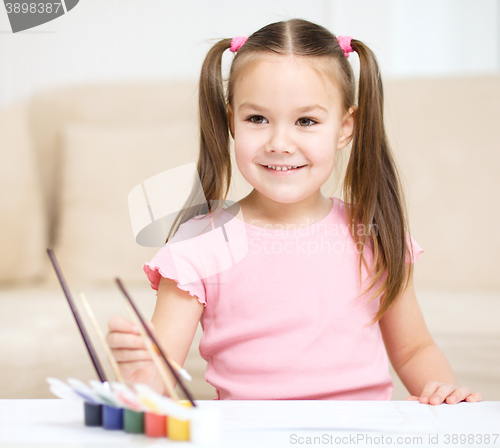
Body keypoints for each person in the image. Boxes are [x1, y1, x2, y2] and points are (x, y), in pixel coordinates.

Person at [107, 18, 482, 405]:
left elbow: (414, 350)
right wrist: (138, 374)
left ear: (344, 128)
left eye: (306, 121)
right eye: (257, 119)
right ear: (231, 121)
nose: (280, 143)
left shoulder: (374, 234)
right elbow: (159, 375)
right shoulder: (198, 246)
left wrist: (443, 392)